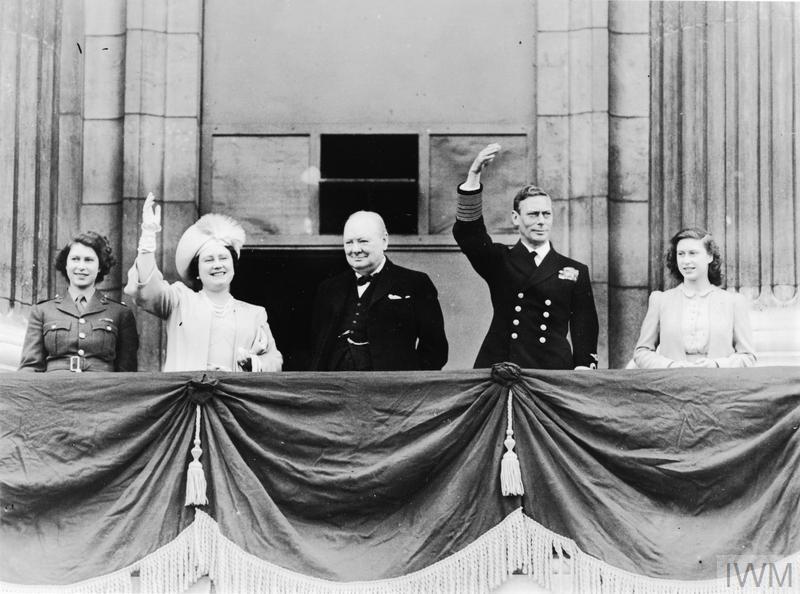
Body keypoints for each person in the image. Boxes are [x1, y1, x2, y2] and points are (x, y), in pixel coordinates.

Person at [453, 143, 599, 370]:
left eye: (546, 214)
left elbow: (585, 323)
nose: (541, 221)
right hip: (503, 367)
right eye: (533, 214)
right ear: (515, 218)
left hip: (552, 370)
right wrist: (473, 176)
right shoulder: (500, 260)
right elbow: (469, 235)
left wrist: (583, 365)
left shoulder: (575, 270)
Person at [124, 194, 282, 372]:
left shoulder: (254, 314)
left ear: (233, 265)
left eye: (223, 258)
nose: (217, 265)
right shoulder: (180, 301)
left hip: (233, 398)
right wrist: (148, 238)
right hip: (188, 397)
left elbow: (274, 361)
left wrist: (252, 363)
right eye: (208, 260)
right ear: (197, 271)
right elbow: (146, 291)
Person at [310, 210, 448, 371]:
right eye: (349, 242)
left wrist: (409, 386)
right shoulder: (329, 288)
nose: (355, 249)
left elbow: (435, 349)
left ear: (384, 241)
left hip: (391, 390)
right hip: (336, 388)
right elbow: (316, 346)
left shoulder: (415, 283)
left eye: (363, 241)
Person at [633, 228, 756, 368]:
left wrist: (716, 364)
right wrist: (670, 365)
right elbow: (641, 353)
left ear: (709, 256)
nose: (686, 261)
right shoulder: (661, 300)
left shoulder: (733, 302)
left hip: (717, 386)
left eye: (693, 253)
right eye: (681, 254)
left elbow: (748, 356)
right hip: (672, 386)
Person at [19, 232, 139, 372]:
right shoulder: (42, 311)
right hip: (55, 391)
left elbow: (127, 375)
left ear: (100, 266)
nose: (81, 266)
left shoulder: (120, 313)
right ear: (66, 264)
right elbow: (30, 369)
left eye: (88, 260)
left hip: (101, 391)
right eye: (75, 259)